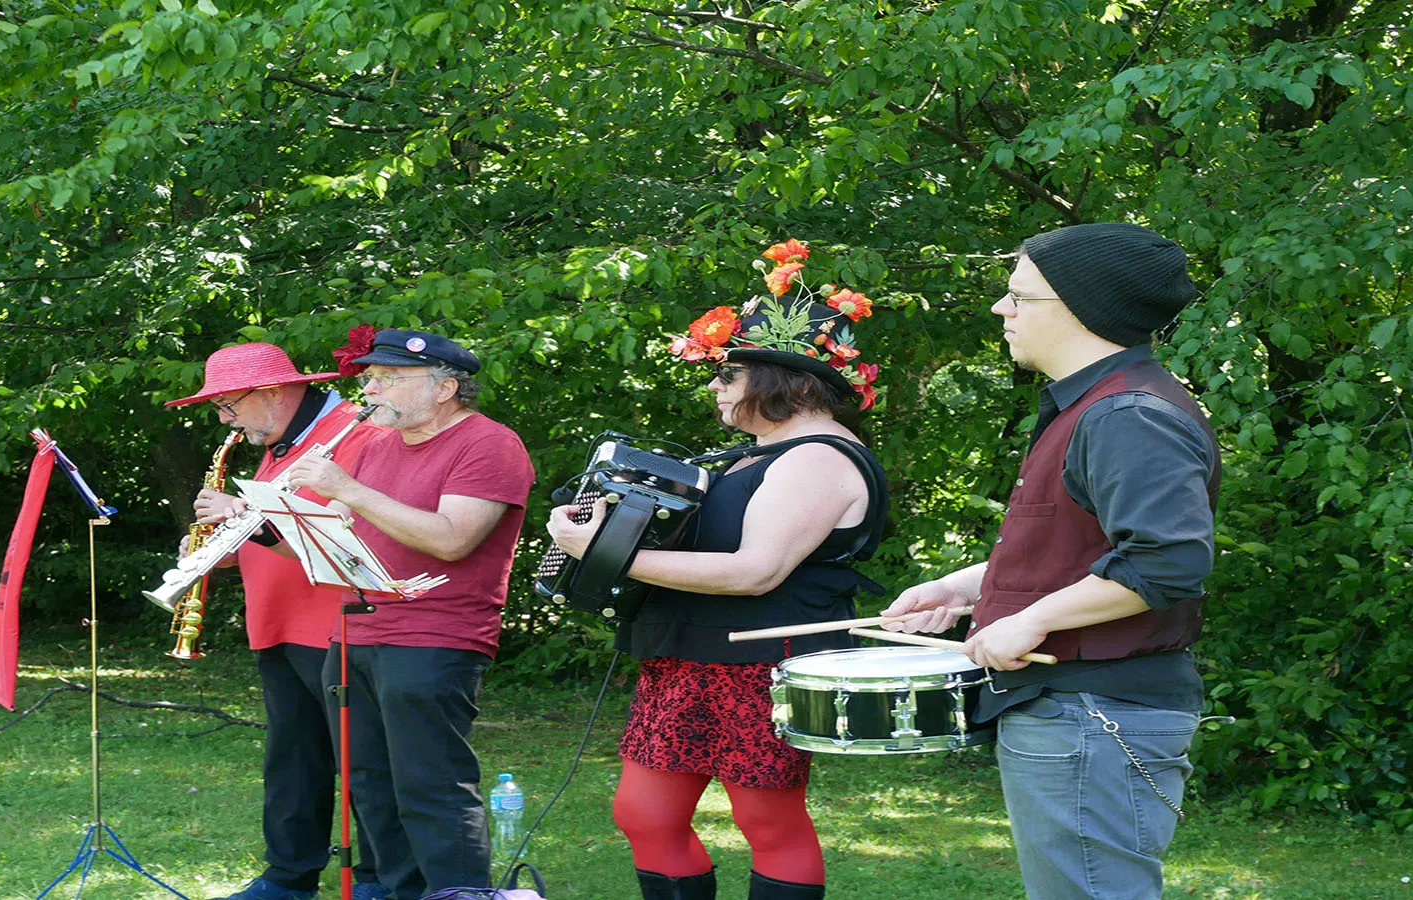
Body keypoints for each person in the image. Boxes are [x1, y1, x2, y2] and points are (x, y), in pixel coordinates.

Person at [882, 222, 1221, 900]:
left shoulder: (1127, 414)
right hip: (1078, 712)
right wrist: (961, 590)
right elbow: (1083, 555)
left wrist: (1029, 622)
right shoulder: (1096, 405)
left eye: (1018, 297)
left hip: (1095, 712)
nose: (1000, 310)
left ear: (1079, 307)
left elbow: (1169, 561)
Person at [548, 239, 888, 900]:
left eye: (725, 373)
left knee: (767, 819)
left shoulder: (818, 457)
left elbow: (755, 571)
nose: (713, 385)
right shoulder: (755, 453)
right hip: (689, 654)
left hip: (762, 663)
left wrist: (608, 554)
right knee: (644, 814)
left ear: (776, 379)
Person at [286, 329, 536, 900]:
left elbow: (452, 540)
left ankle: (458, 892)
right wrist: (251, 525)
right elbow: (335, 538)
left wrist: (346, 488)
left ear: (446, 387)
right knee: (370, 785)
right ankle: (403, 891)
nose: (370, 388)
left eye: (388, 378)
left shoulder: (489, 444)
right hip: (354, 632)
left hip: (434, 634)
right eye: (371, 377)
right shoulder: (375, 443)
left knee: (431, 783)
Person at [164, 340, 389, 900]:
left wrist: (247, 518)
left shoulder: (353, 432)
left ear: (270, 394)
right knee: (292, 763)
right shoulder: (277, 444)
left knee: (366, 767)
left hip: (340, 623)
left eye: (228, 406)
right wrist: (215, 547)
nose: (224, 420)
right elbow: (268, 530)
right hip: (279, 624)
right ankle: (288, 877)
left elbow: (350, 529)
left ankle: (383, 880)